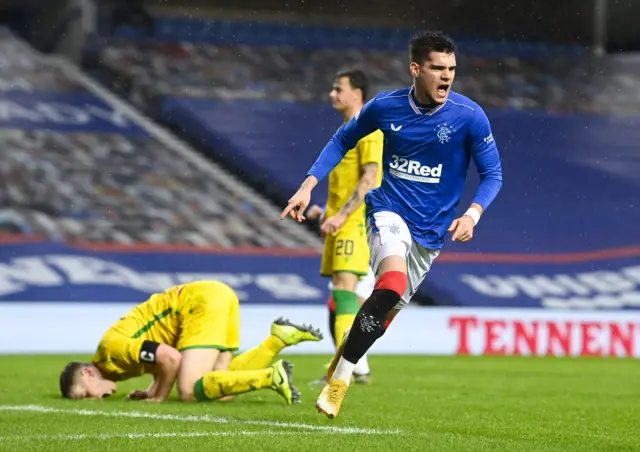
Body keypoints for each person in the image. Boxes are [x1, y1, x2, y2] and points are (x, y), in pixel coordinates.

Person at [280, 30, 503, 418]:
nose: (447, 76)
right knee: (392, 282)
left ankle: (345, 355)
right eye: (437, 68)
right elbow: (341, 140)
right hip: (388, 211)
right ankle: (341, 380)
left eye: (451, 68)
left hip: (431, 234)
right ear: (416, 69)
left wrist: (472, 213)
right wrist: (307, 185)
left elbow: (494, 175)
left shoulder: (469, 117)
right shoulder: (385, 107)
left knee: (381, 316)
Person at [59, 280, 323, 404]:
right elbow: (162, 356)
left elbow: (170, 358)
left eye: (83, 394)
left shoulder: (111, 353)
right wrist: (152, 389)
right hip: (215, 295)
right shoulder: (117, 366)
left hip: (198, 304)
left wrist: (159, 397)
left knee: (188, 391)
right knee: (222, 389)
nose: (91, 400)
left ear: (87, 374)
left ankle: (270, 377)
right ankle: (277, 340)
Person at [304, 69, 383, 386]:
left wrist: (341, 216)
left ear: (358, 93)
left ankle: (343, 371)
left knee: (344, 291)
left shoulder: (368, 130)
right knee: (341, 296)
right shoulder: (348, 130)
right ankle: (357, 366)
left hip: (354, 224)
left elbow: (369, 178)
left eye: (339, 89)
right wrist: (325, 211)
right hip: (341, 223)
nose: (332, 94)